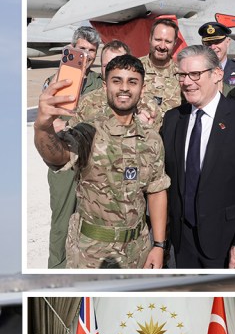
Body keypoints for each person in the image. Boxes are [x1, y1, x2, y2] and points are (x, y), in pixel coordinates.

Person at [35, 54, 169, 269]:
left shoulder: (152, 139)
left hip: (138, 250)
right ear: (105, 86)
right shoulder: (88, 132)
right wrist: (42, 127)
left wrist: (159, 246)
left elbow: (157, 190)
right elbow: (56, 155)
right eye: (117, 81)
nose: (124, 88)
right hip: (91, 253)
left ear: (142, 89)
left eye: (132, 82)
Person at [161, 45, 235, 268]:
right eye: (182, 75)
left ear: (217, 74)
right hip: (183, 246)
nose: (187, 82)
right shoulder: (172, 120)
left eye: (195, 74)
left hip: (229, 245)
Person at [45, 25, 102, 268]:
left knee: (92, 223)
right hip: (65, 164)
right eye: (81, 49)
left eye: (92, 51)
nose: (87, 55)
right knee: (61, 222)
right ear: (72, 49)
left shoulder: (100, 84)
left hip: (90, 162)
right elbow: (47, 120)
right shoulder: (57, 81)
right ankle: (56, 273)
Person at [140, 17, 183, 117]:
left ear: (175, 43)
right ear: (150, 38)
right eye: (158, 40)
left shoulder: (182, 73)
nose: (162, 46)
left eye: (168, 41)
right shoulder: (134, 69)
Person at [200, 21, 235, 99]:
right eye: (208, 43)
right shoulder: (196, 72)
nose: (213, 47)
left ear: (228, 42)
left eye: (217, 42)